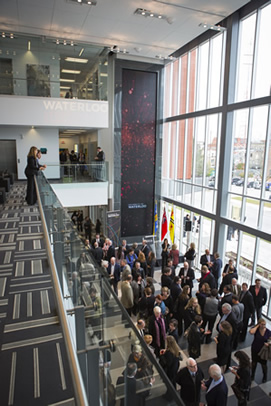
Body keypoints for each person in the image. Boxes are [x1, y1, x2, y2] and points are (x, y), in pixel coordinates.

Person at [249, 318, 271, 383]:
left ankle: (265, 377)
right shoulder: (256, 330)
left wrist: (269, 343)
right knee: (254, 363)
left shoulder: (268, 332)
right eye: (262, 324)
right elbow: (251, 332)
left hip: (263, 351)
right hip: (255, 349)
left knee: (263, 365)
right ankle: (252, 375)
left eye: (265, 324)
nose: (264, 326)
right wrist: (257, 326)